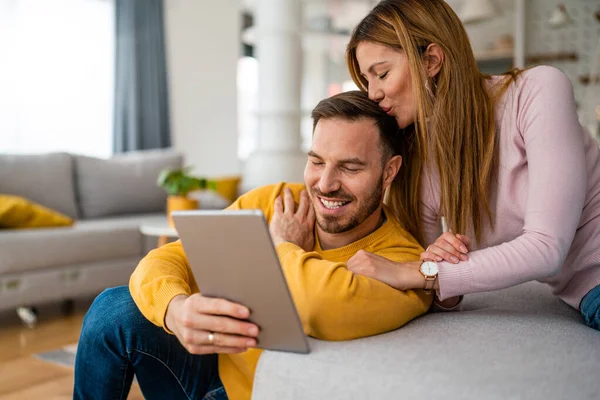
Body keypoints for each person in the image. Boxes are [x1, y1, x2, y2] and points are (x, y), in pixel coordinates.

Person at [73, 90, 433, 400]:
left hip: (266, 392)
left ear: (389, 171)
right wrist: (176, 309)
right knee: (114, 308)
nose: (325, 184)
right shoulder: (277, 201)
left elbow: (314, 305)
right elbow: (166, 258)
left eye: (350, 168)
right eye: (316, 161)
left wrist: (284, 246)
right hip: (206, 375)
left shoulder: (401, 262)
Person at [343, 0, 600, 329]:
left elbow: (547, 248)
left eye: (382, 73)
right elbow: (440, 297)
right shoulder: (419, 161)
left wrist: (421, 271)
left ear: (432, 60)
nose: (372, 94)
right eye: (366, 80)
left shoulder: (537, 91)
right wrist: (436, 259)